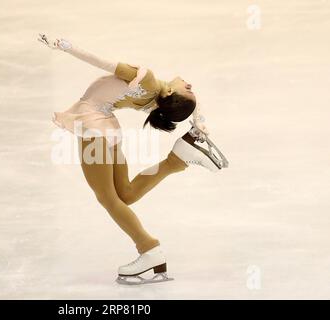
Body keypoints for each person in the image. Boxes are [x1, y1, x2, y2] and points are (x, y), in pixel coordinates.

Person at [38, 34, 224, 284]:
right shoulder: (155, 100)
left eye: (188, 89)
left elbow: (103, 63)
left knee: (108, 198)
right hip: (108, 128)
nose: (190, 84)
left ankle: (148, 248)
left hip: (93, 127)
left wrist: (67, 48)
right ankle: (175, 161)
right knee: (126, 194)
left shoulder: (147, 81)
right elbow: (185, 104)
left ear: (170, 92)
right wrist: (198, 120)